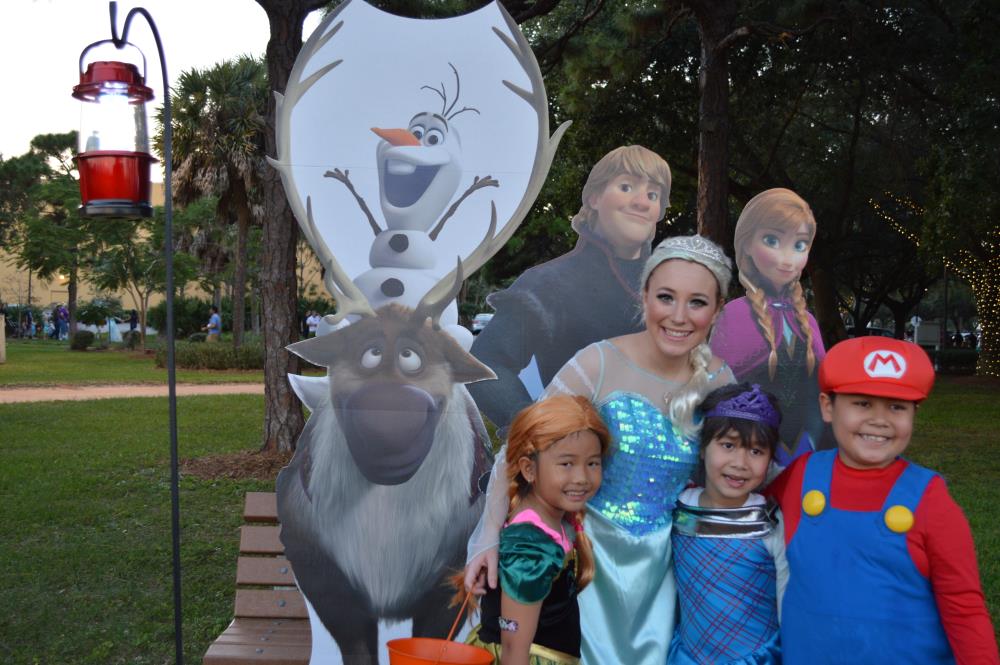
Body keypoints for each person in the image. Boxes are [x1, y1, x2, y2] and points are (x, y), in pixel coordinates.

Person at [467, 234, 736, 664]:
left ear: (717, 309)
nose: (679, 316)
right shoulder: (597, 364)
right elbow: (520, 449)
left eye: (697, 302)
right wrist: (486, 537)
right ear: (644, 296)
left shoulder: (722, 383)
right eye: (666, 297)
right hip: (586, 567)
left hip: (661, 578)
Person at [767, 337, 999, 664]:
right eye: (862, 403)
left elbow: (963, 606)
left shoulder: (929, 499)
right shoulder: (802, 476)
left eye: (897, 407)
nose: (880, 420)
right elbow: (743, 508)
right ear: (827, 407)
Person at [469, 145, 673, 432]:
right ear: (594, 197)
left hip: (673, 465)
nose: (642, 202)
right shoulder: (549, 282)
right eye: (627, 187)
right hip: (583, 465)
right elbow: (486, 364)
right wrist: (539, 431)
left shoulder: (677, 285)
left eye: (653, 195)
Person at [464, 395, 610, 665]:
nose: (582, 477)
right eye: (566, 464)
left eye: (592, 463)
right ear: (529, 469)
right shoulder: (530, 546)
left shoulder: (554, 524)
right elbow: (513, 646)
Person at [669, 383, 788, 665]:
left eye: (756, 451)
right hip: (689, 656)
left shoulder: (772, 522)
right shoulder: (681, 508)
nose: (740, 462)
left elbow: (787, 594)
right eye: (728, 445)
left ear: (770, 459)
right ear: (702, 448)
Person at [710, 188, 829, 470]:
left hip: (807, 456)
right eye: (772, 240)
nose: (787, 258)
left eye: (800, 245)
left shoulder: (808, 322)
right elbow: (716, 398)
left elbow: (823, 396)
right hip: (748, 460)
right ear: (747, 244)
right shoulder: (731, 317)